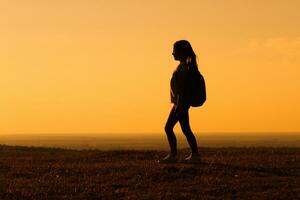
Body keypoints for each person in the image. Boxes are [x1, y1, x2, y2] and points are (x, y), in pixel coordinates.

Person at [159, 40, 200, 164]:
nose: (172, 53)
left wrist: (179, 104)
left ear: (181, 52)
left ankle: (177, 155)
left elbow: (181, 89)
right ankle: (193, 155)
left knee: (170, 128)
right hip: (180, 103)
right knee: (185, 129)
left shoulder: (184, 68)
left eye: (174, 51)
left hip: (180, 103)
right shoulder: (187, 66)